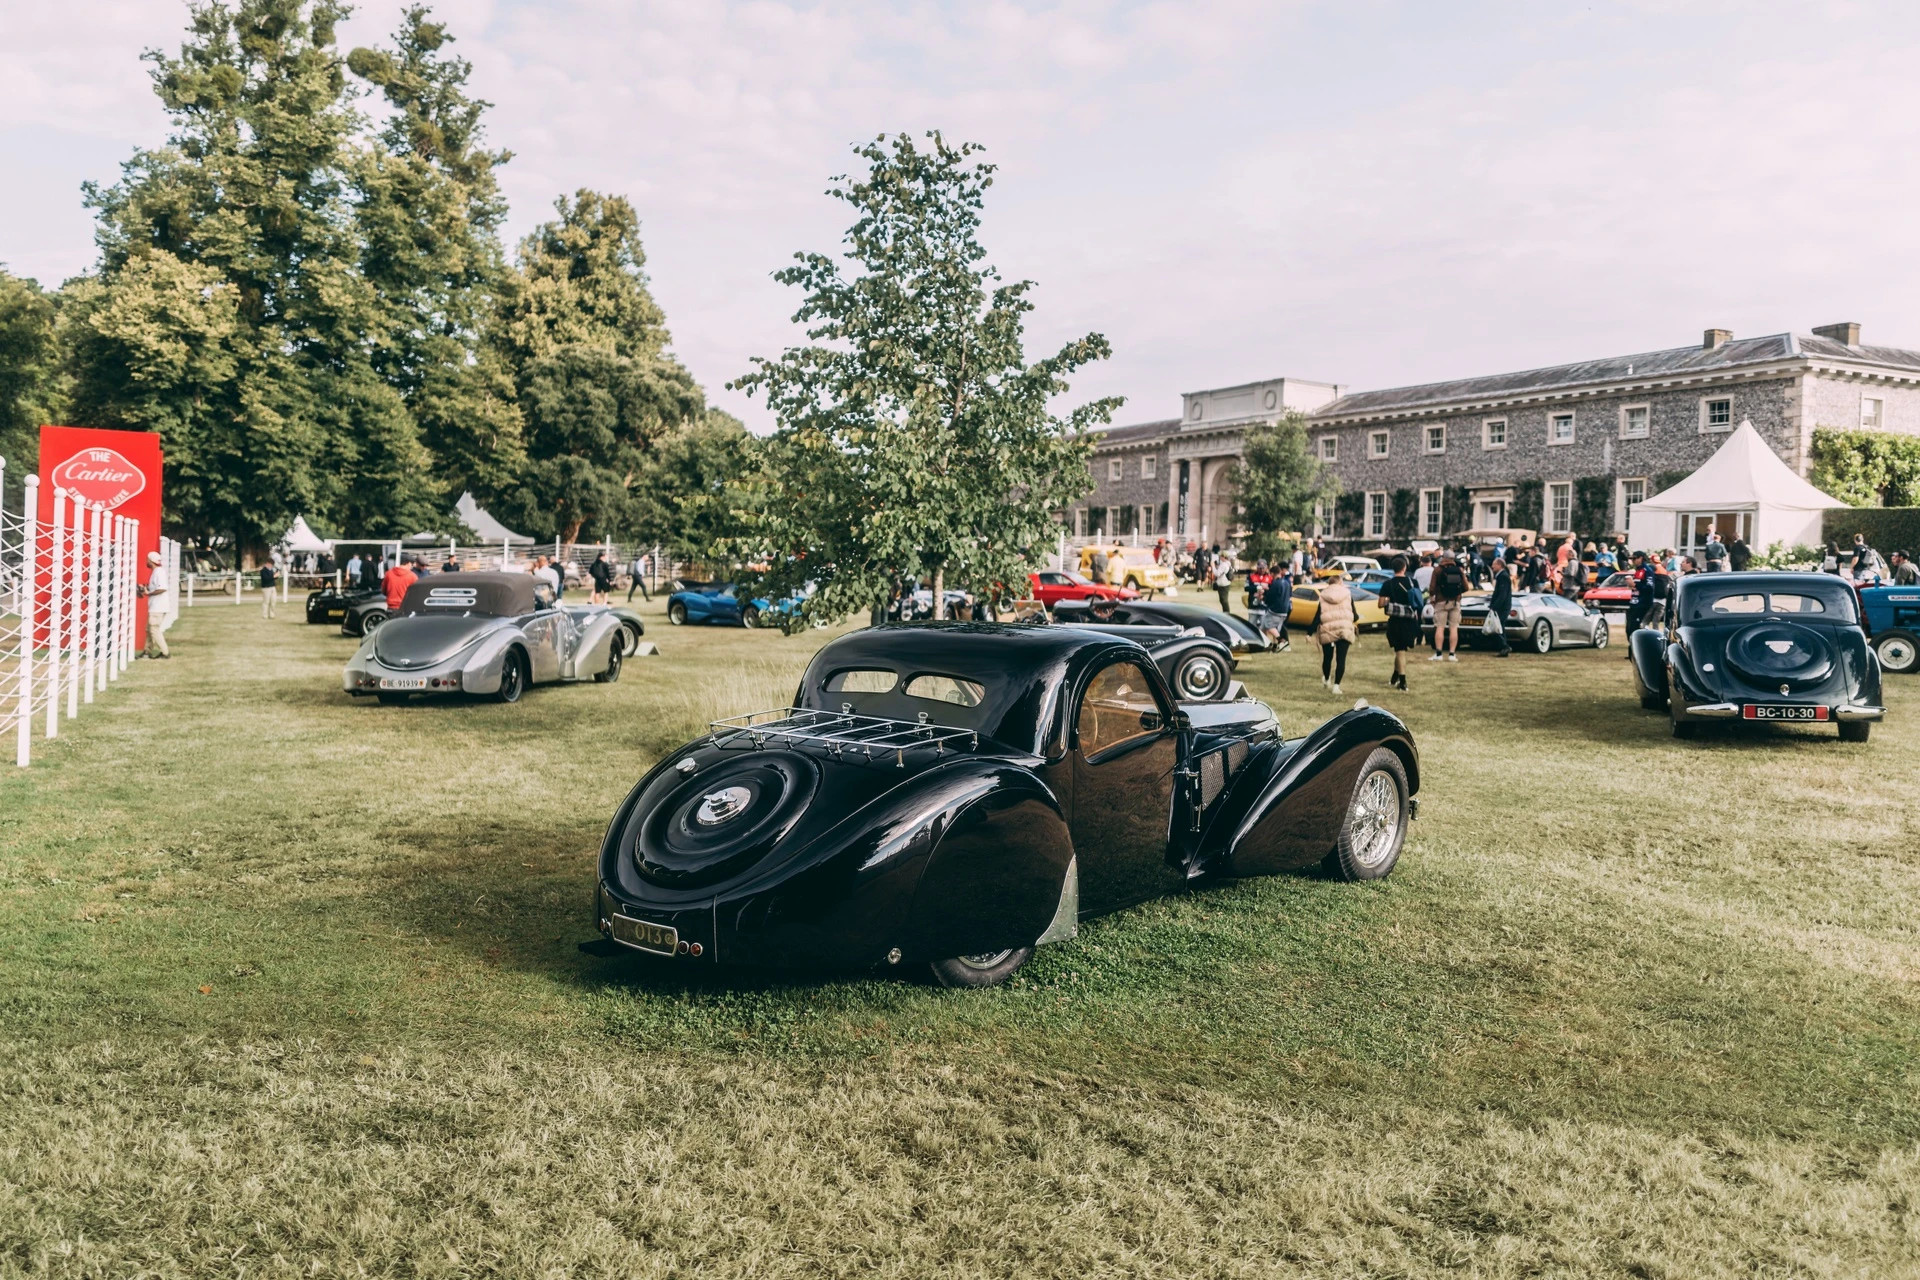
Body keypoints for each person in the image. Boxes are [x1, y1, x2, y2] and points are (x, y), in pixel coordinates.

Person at [1379, 555, 1420, 691]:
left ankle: (1402, 682)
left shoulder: (1388, 584)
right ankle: (1395, 677)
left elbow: (1380, 604)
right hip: (1410, 621)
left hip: (1395, 621)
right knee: (1400, 650)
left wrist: (1389, 601)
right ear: (1405, 567)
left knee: (1399, 650)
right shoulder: (1413, 582)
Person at [1314, 576, 1357, 695]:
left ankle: (1327, 679)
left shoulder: (1323, 595)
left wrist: (1309, 631)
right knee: (1341, 659)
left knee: (1327, 658)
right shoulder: (1347, 594)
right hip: (1344, 630)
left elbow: (1318, 614)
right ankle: (1336, 686)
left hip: (1328, 630)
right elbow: (1355, 614)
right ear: (1340, 582)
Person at [1428, 549, 1468, 662]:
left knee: (1440, 627)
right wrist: (1457, 593)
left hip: (1441, 601)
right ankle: (1452, 654)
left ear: (1443, 558)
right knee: (1454, 628)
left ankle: (1439, 654)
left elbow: (1432, 588)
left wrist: (1432, 598)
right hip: (1455, 602)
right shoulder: (1459, 570)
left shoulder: (1437, 570)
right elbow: (1466, 587)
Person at [138, 551, 171, 659]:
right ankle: (147, 651)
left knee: (154, 629)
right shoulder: (157, 572)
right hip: (156, 606)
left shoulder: (158, 572)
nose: (146, 562)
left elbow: (162, 588)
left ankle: (165, 652)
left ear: (151, 561)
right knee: (149, 629)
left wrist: (149, 593)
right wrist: (145, 588)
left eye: (147, 559)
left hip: (158, 607)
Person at [1485, 559, 1514, 657]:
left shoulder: (1503, 577)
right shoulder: (1502, 576)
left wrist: (1494, 606)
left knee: (1497, 627)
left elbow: (1502, 594)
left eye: (1494, 565)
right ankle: (1503, 649)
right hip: (1503, 606)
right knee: (1500, 627)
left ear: (1499, 565)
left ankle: (1505, 646)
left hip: (1502, 607)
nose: (1492, 567)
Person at [1266, 566, 1293, 651]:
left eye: (1271, 574)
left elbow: (1270, 597)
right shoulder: (1287, 583)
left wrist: (1265, 593)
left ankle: (1282, 642)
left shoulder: (1276, 583)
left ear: (1273, 573)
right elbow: (1289, 595)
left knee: (1268, 626)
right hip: (1286, 609)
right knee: (1277, 628)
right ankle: (1275, 646)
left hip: (1276, 609)